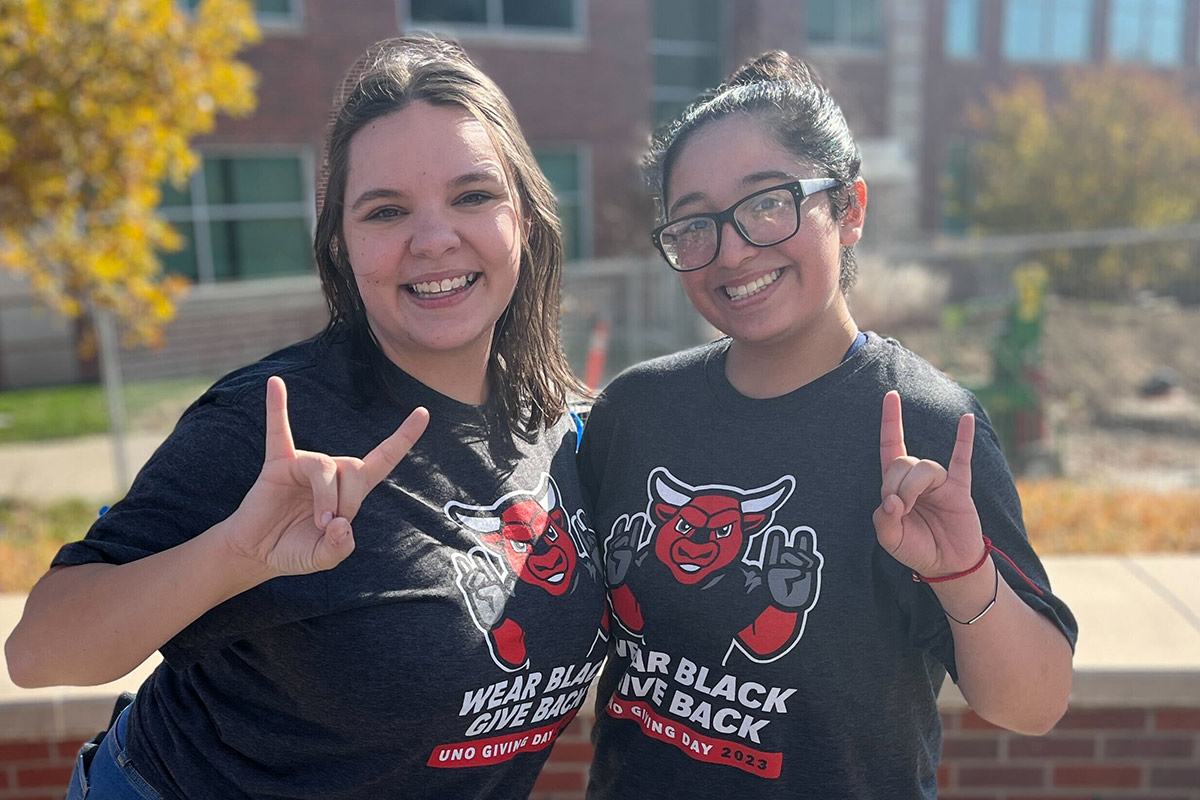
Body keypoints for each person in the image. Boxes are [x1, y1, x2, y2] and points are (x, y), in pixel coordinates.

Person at [5, 36, 608, 800]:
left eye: (473, 195)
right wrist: (234, 554)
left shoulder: (569, 432)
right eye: (386, 210)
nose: (433, 238)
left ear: (523, 216)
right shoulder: (273, 423)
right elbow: (40, 652)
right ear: (342, 245)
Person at [578, 51, 1077, 798]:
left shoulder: (927, 427)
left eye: (768, 203)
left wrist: (962, 574)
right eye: (693, 224)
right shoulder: (634, 412)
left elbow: (1033, 704)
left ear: (849, 209)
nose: (733, 248)